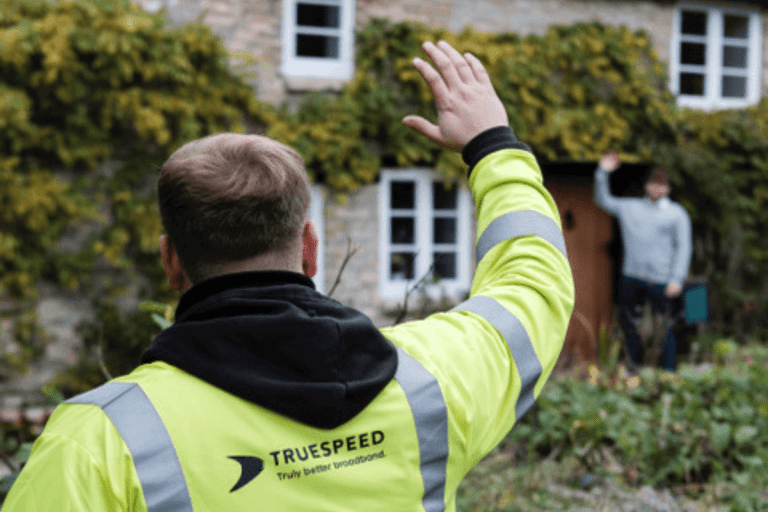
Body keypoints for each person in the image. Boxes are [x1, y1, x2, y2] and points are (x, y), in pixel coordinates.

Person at [3, 41, 574, 511]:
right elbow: (533, 282)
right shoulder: (433, 381)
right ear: (310, 249)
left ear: (170, 260)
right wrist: (492, 146)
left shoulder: (100, 442)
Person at [594, 151, 692, 372]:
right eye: (653, 183)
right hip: (632, 276)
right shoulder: (630, 207)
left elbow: (684, 247)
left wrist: (677, 279)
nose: (656, 188)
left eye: (661, 185)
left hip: (662, 279)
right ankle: (633, 369)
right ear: (646, 185)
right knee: (629, 324)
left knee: (664, 325)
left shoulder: (677, 214)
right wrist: (602, 172)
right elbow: (603, 200)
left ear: (667, 189)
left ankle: (668, 372)